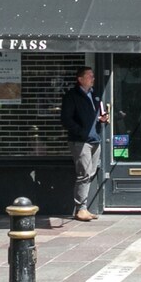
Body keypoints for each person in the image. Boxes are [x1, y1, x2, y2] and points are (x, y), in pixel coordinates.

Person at [60, 65, 105, 222]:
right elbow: (66, 119)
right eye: (89, 76)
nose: (93, 78)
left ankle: (83, 208)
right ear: (80, 79)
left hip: (95, 140)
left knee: (90, 173)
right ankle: (81, 209)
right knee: (83, 175)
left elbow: (97, 114)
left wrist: (102, 119)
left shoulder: (95, 95)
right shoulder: (72, 96)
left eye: (93, 75)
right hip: (81, 141)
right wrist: (80, 131)